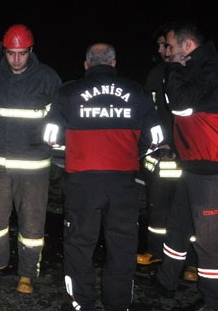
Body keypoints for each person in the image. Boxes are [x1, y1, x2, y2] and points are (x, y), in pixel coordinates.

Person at [43, 43, 163, 310]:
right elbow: (156, 138)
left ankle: (82, 304)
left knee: (79, 245)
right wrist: (132, 151)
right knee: (122, 246)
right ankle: (117, 304)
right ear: (113, 63)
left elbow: (50, 136)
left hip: (83, 182)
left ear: (86, 65)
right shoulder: (137, 91)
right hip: (122, 182)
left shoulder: (69, 92)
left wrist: (76, 148)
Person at [0, 24, 62, 294]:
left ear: (31, 51)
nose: (16, 59)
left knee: (32, 223)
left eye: (22, 53)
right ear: (5, 51)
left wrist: (57, 159)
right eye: (11, 53)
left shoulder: (47, 79)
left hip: (34, 169)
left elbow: (58, 122)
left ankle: (27, 273)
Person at [161, 21, 218, 311]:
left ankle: (212, 297)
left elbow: (181, 105)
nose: (166, 52)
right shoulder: (195, 67)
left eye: (169, 46)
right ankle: (167, 281)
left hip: (209, 168)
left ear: (187, 45)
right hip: (192, 164)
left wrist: (173, 68)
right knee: (178, 226)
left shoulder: (207, 68)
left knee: (208, 240)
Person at [138, 22, 198, 284]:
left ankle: (193, 262)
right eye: (161, 46)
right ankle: (155, 251)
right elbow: (150, 115)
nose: (162, 49)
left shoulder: (194, 76)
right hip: (160, 155)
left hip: (189, 157)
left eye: (166, 45)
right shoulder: (155, 75)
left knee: (192, 211)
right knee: (158, 207)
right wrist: (155, 145)